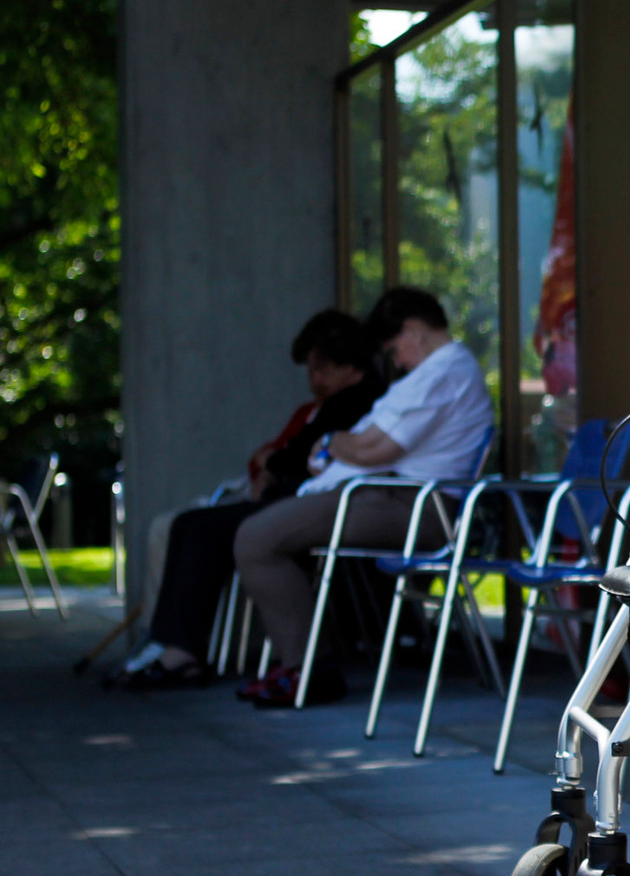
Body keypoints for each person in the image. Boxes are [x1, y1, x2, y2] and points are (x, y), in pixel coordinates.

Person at [233, 286, 494, 708]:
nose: (396, 362)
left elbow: (375, 448)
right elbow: (360, 445)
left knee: (256, 538)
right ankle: (302, 665)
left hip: (413, 505)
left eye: (394, 350)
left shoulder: (444, 372)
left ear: (413, 330)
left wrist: (334, 439)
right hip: (395, 497)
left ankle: (307, 670)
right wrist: (344, 444)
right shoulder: (440, 372)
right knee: (266, 533)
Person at [120, 310, 385, 689]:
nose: (315, 380)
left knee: (210, 530)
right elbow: (296, 452)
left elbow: (303, 454)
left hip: (320, 503)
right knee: (191, 524)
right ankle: (173, 644)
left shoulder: (362, 401)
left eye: (322, 369)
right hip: (298, 498)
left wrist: (276, 463)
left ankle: (187, 652)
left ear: (350, 364)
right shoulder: (331, 404)